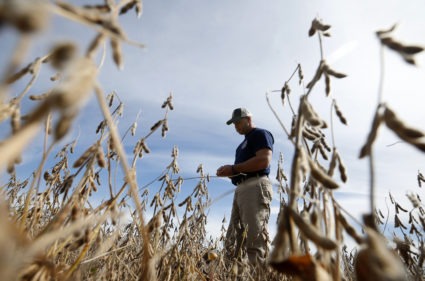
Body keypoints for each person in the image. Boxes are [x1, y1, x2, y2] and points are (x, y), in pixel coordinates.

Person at [216, 107, 274, 266]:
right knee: (233, 240)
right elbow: (241, 170)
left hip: (255, 186)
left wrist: (234, 169)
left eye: (238, 122)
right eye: (234, 124)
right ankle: (234, 275)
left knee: (254, 237)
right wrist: (229, 172)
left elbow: (263, 161)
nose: (236, 127)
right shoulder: (240, 146)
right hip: (241, 189)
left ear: (248, 119)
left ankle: (259, 275)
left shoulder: (261, 134)